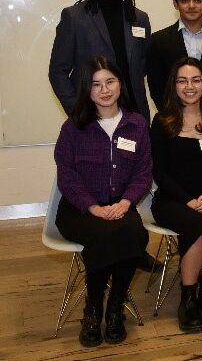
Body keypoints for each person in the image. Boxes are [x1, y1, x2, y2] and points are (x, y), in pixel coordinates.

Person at [53, 57, 151, 347]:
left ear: (120, 83)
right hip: (79, 209)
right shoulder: (73, 128)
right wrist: (93, 207)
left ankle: (115, 306)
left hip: (120, 204)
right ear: (87, 89)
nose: (104, 90)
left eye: (110, 81)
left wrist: (126, 202)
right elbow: (66, 176)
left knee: (135, 232)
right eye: (96, 84)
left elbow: (143, 173)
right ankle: (93, 309)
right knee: (106, 235)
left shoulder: (137, 125)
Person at [150, 58, 202, 333]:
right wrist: (187, 199)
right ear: (174, 85)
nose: (189, 86)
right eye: (182, 80)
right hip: (173, 199)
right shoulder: (162, 121)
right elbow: (159, 172)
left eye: (196, 80)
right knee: (195, 223)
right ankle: (188, 298)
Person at [49, 0, 152, 120]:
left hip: (135, 115)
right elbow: (57, 71)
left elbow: (143, 66)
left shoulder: (140, 18)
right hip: (92, 117)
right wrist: (78, 112)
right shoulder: (74, 17)